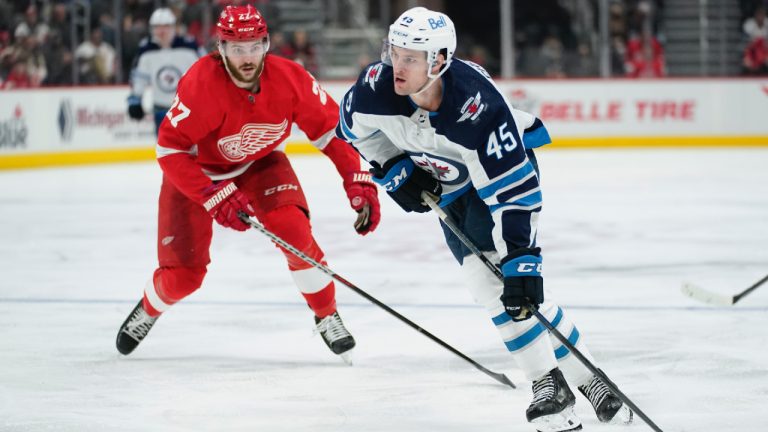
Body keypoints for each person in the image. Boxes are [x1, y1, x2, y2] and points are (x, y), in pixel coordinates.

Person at [336, 7, 633, 431]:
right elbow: (352, 128)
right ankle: (591, 382)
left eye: (410, 58)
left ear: (438, 61)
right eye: (394, 53)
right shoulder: (374, 90)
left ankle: (548, 384)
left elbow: (515, 191)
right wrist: (392, 166)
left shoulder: (476, 105)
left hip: (495, 177)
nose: (396, 67)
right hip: (447, 179)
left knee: (499, 279)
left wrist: (523, 256)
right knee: (498, 285)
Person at [115, 4, 381, 364]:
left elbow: (332, 131)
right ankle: (149, 308)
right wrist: (211, 194)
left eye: (254, 46)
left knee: (295, 233)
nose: (247, 57)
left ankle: (326, 314)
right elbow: (169, 149)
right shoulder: (201, 84)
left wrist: (356, 176)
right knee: (184, 277)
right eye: (237, 48)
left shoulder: (290, 78)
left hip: (260, 163)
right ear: (220, 48)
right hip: (197, 174)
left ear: (267, 44)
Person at [127, 8, 203, 133]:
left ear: (174, 27)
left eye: (166, 26)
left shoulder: (190, 47)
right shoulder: (146, 50)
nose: (162, 31)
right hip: (161, 109)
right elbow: (139, 78)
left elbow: (205, 73)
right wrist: (135, 100)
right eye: (157, 27)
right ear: (151, 29)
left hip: (189, 109)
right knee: (165, 150)